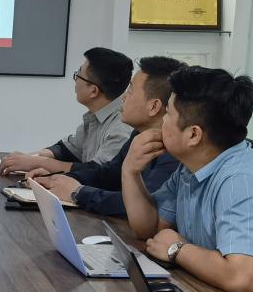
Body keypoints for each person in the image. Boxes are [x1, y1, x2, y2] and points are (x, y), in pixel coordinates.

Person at [121, 65, 253, 292]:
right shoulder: (192, 166)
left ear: (193, 134)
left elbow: (243, 278)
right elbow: (150, 228)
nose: (161, 122)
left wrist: (177, 249)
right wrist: (130, 171)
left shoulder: (242, 180)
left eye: (168, 114)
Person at [29, 56, 183, 216]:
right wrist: (55, 179)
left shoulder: (173, 153)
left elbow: (143, 208)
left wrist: (78, 193)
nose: (123, 97)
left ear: (154, 106)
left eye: (130, 90)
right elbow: (107, 174)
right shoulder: (139, 135)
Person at [0, 47, 133, 176]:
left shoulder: (121, 128)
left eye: (78, 75)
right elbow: (64, 150)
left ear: (93, 91)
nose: (75, 81)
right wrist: (28, 158)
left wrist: (37, 162)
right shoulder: (96, 118)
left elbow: (97, 172)